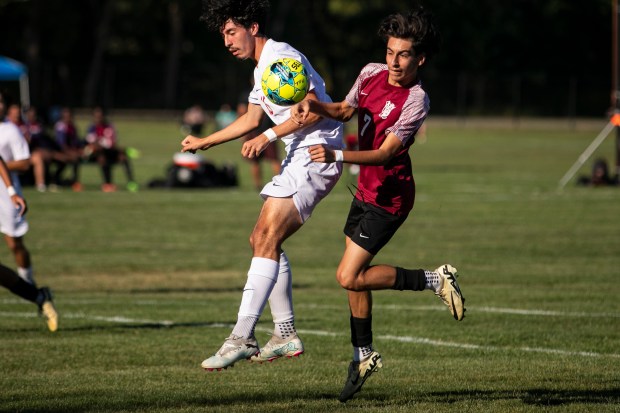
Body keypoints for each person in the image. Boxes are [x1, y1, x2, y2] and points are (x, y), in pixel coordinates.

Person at [291, 8, 465, 402]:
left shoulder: (417, 100)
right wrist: (314, 106)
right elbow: (346, 110)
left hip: (390, 197)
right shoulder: (371, 72)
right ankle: (363, 354)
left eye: (403, 55)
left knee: (348, 276)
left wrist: (335, 156)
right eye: (390, 51)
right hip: (365, 191)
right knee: (355, 276)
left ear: (420, 59)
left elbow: (386, 154)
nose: (394, 61)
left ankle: (435, 280)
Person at [181, 0, 343, 371]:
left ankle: (241, 336)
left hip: (317, 153)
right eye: (223, 35)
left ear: (252, 27)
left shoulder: (280, 58)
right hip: (298, 153)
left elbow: (311, 106)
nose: (226, 41)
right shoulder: (261, 69)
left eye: (230, 32)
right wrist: (206, 142)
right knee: (261, 240)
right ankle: (284, 333)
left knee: (266, 237)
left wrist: (268, 135)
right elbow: (251, 118)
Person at [0, 94, 58, 331]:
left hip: (3, 197)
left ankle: (34, 291)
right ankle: (37, 295)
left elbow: (11, 162)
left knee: (15, 244)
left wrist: (13, 191)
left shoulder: (10, 130)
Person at [85, 107, 138, 192]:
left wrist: (103, 143)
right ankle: (108, 184)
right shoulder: (92, 128)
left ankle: (131, 183)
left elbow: (112, 142)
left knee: (123, 158)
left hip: (109, 151)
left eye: (100, 116)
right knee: (102, 157)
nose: (98, 118)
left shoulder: (109, 127)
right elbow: (92, 144)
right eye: (96, 116)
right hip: (95, 154)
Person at [237, 98, 281, 191]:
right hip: (253, 133)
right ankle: (258, 185)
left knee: (274, 159)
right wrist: (243, 132)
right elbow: (242, 111)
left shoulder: (271, 91)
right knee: (255, 161)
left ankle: (280, 183)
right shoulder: (247, 94)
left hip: (269, 132)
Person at [53, 107, 84, 191]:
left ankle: (72, 180)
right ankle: (73, 181)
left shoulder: (72, 127)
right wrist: (73, 152)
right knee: (74, 158)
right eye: (65, 116)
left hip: (68, 151)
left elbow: (76, 142)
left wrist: (79, 150)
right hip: (58, 152)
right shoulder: (60, 126)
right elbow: (61, 145)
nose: (68, 118)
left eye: (69, 116)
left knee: (76, 156)